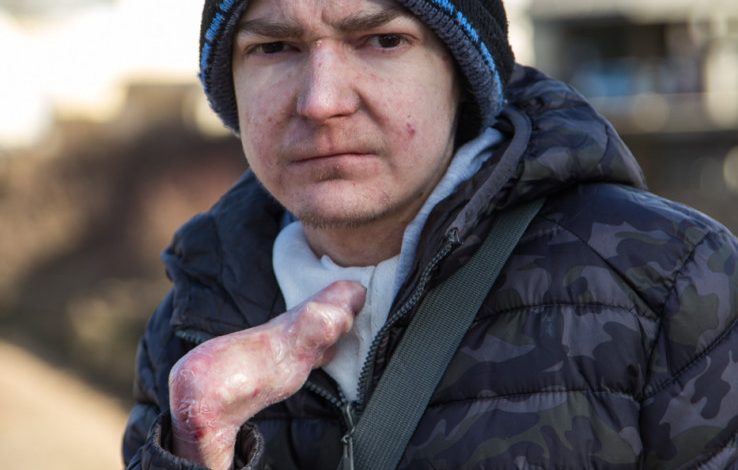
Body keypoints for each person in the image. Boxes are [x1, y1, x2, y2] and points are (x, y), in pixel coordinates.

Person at [122, 0, 738, 468]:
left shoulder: (670, 282)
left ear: (460, 74)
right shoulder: (192, 324)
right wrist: (193, 449)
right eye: (274, 47)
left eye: (383, 40)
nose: (321, 101)